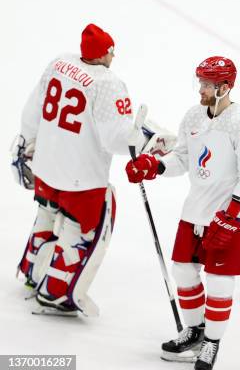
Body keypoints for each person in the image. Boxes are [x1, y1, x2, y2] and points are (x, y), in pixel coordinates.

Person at [11, 23, 172, 316]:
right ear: (104, 54)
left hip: (46, 164)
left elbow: (32, 109)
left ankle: (34, 272)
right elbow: (115, 139)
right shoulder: (107, 83)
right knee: (79, 229)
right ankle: (55, 294)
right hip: (80, 177)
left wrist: (24, 144)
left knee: (46, 214)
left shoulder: (59, 63)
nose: (113, 58)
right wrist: (146, 138)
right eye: (111, 52)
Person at [126, 56, 240, 370]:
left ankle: (212, 341)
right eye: (199, 82)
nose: (199, 89)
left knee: (219, 283)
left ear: (224, 87)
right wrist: (155, 166)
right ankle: (195, 329)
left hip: (232, 218)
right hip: (196, 211)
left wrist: (231, 213)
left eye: (206, 84)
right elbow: (183, 159)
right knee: (183, 272)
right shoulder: (193, 117)